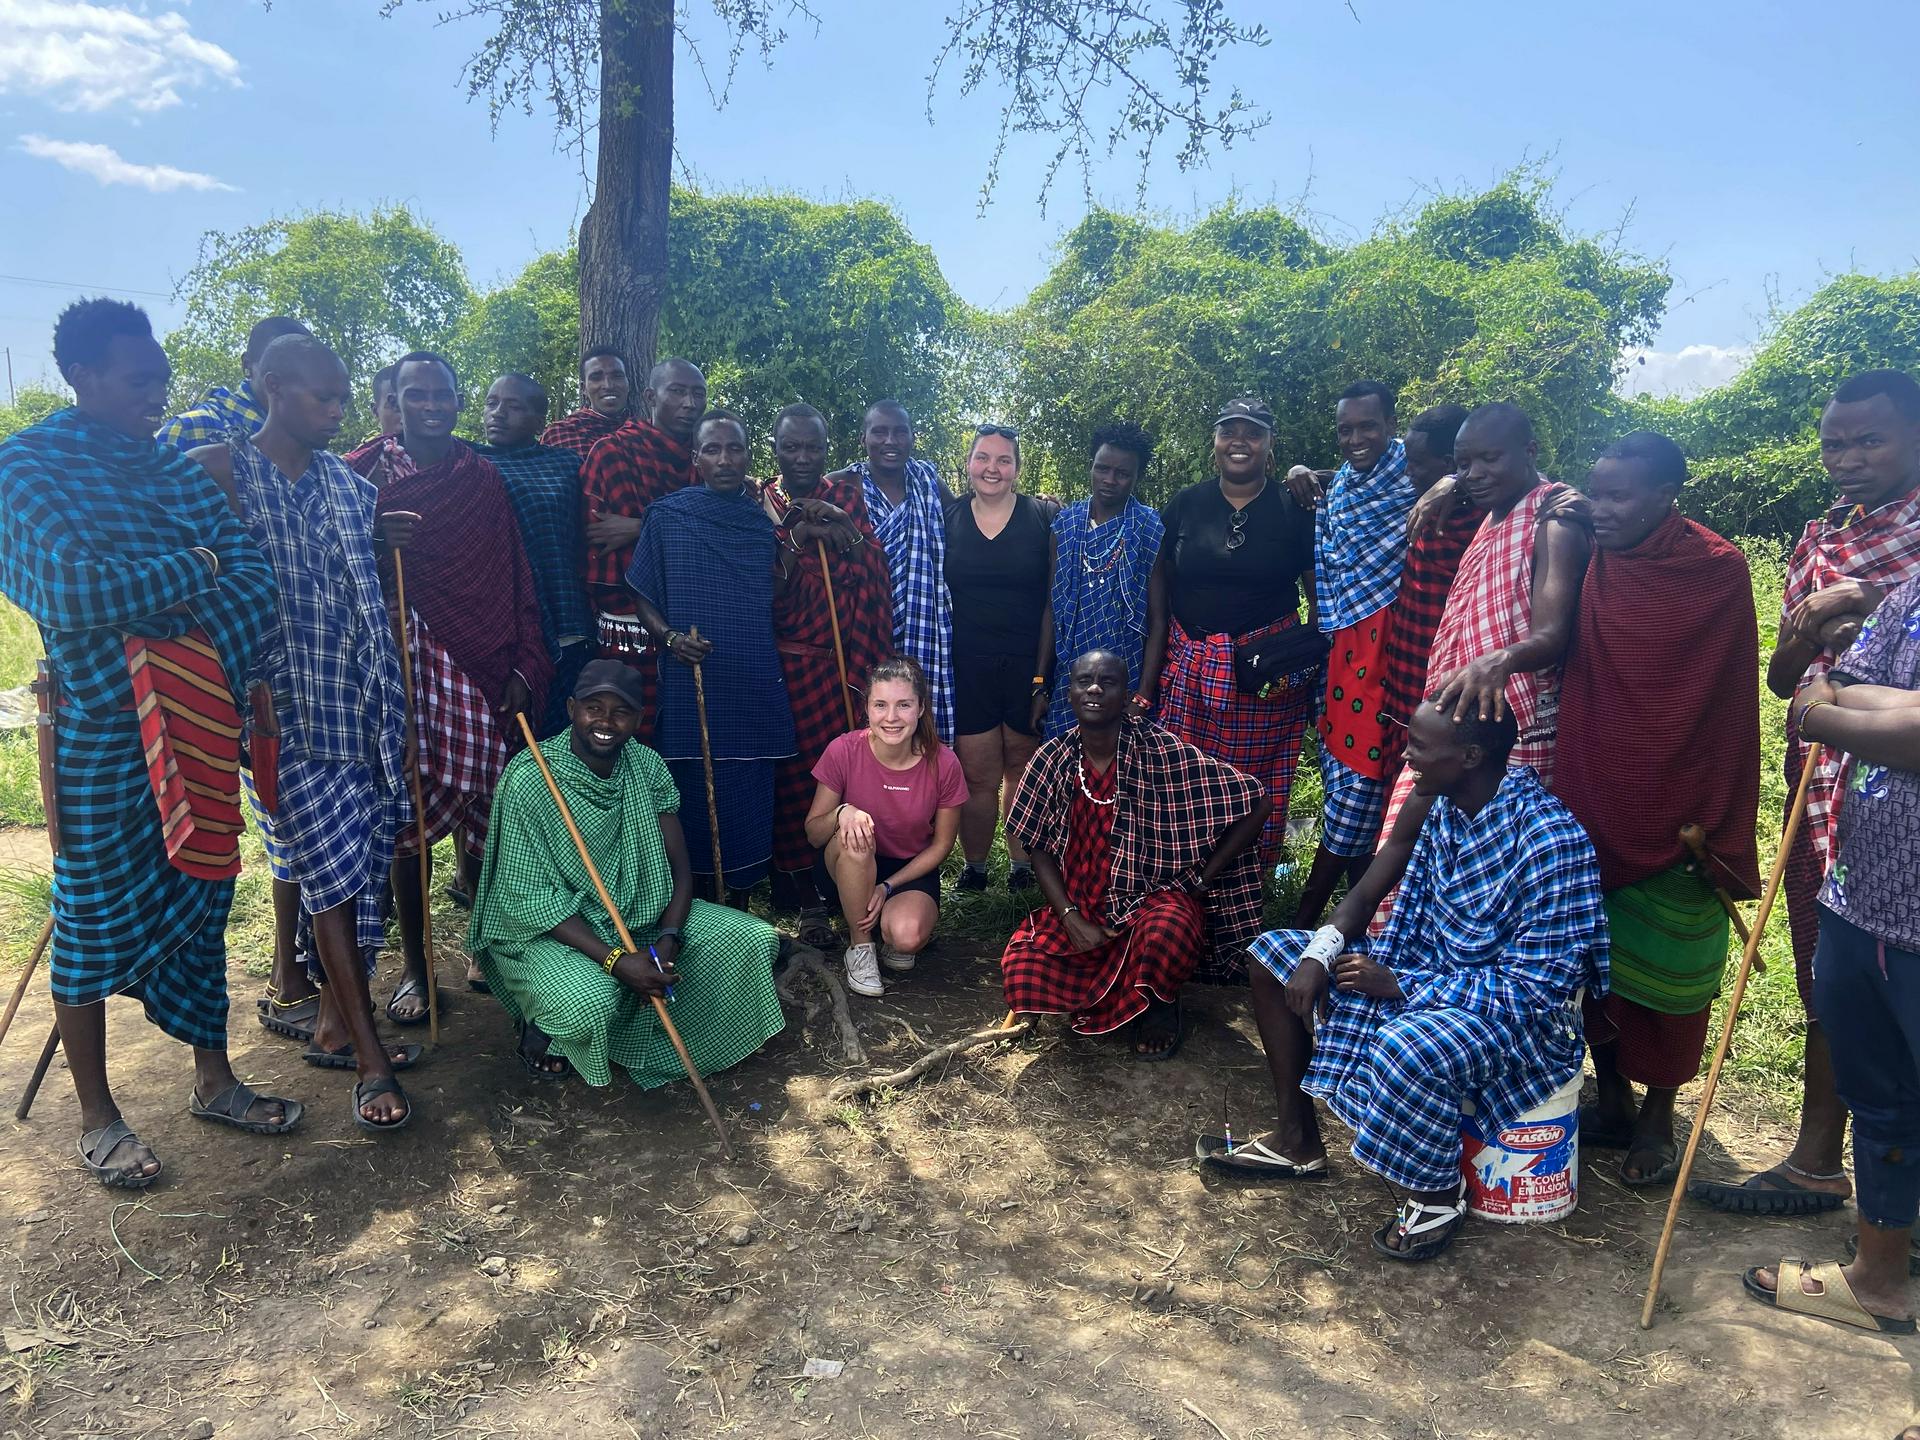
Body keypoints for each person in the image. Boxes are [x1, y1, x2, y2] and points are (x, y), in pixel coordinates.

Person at [0, 298, 297, 1187]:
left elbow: (255, 583)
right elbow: (68, 593)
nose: (158, 395)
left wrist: (161, 622)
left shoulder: (174, 472)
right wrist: (192, 570)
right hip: (98, 735)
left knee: (204, 897)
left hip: (198, 729)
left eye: (162, 379)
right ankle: (98, 1117)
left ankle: (214, 1080)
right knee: (91, 917)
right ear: (82, 376)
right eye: (140, 380)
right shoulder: (27, 469)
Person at [1206, 702, 1607, 1264]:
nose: (1407, 755)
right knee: (1275, 959)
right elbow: (1370, 890)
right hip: (1422, 969)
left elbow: (1535, 992)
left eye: (1420, 745)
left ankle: (1438, 1196)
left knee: (1406, 1048)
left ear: (1470, 756)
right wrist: (1321, 953)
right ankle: (1297, 1141)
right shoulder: (1439, 802)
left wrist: (1403, 987)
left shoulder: (1549, 840)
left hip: (1516, 1021)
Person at [1695, 368, 1920, 1219]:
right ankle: (1817, 1160)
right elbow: (1784, 677)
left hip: (1907, 788)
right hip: (1823, 779)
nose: (1848, 458)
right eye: (1834, 444)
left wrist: (1874, 603)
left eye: (1870, 440)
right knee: (1835, 968)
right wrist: (1807, 632)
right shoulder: (1822, 537)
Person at [187, 335, 418, 1130]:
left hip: (364, 711)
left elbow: (364, 603)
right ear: (272, 386)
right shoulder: (218, 472)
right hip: (281, 718)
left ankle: (332, 1023)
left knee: (362, 874)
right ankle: (370, 1059)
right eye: (325, 397)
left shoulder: (353, 489)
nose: (338, 411)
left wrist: (396, 712)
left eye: (344, 398)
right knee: (329, 882)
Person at [1552, 432, 1760, 1186]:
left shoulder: (1716, 568)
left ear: (1668, 495)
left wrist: (1722, 818)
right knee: (1591, 961)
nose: (1602, 508)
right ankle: (1610, 1097)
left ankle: (1658, 1114)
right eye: (1596, 491)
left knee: (1674, 972)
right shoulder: (1591, 550)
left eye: (1620, 496)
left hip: (1684, 804)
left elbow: (1729, 699)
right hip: (1596, 787)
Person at [468, 660, 787, 1087]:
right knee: (590, 1003)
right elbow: (530, 901)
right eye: (593, 708)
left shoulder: (646, 765)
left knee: (754, 940)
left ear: (638, 720)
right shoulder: (531, 777)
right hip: (549, 932)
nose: (605, 721)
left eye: (620, 712)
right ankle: (543, 1026)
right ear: (572, 709)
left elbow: (680, 869)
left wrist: (669, 938)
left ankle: (663, 1036)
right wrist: (617, 961)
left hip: (639, 915)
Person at [350, 351, 552, 1022]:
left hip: (477, 666)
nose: (431, 404)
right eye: (417, 393)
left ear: (458, 401)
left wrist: (521, 664)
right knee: (406, 823)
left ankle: (487, 948)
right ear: (397, 400)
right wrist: (374, 536)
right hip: (397, 667)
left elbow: (512, 571)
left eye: (443, 393)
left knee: (491, 816)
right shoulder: (362, 474)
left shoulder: (479, 476)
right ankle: (416, 970)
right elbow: (328, 561)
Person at [1743, 573, 1920, 1336]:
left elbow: (1826, 707)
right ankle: (1878, 1281)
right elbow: (1835, 681)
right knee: (1879, 1098)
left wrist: (1828, 714)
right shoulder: (1910, 589)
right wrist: (1860, 704)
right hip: (1862, 894)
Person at [1001, 649, 1271, 1056]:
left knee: (1170, 930)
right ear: (1069, 694)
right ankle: (1119, 991)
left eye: (1107, 682)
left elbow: (1257, 800)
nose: (1094, 689)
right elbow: (1036, 844)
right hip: (1082, 909)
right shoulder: (1052, 758)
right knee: (1022, 965)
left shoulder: (1160, 750)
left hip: (1150, 906)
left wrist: (1202, 880)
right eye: (1084, 682)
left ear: (1126, 695)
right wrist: (1070, 917)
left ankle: (1159, 1003)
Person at [1375, 402, 1591, 849]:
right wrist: (1451, 482)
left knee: (1495, 852)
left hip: (1512, 725)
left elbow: (1552, 635)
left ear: (1529, 451)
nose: (1474, 474)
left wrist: (1499, 661)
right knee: (1429, 846)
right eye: (1463, 464)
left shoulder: (1553, 519)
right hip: (1457, 715)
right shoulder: (1490, 516)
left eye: (1490, 459)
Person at [1138, 396, 1317, 868]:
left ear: (1269, 444)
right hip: (1191, 667)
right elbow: (1160, 588)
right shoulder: (1186, 503)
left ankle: (1244, 881)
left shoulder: (1293, 505)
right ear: (1215, 441)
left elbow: (1319, 598)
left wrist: (1308, 663)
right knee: (1180, 780)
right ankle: (1181, 878)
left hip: (1266, 679)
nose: (1240, 442)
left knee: (1255, 784)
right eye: (1229, 432)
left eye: (1253, 433)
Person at [626, 411, 794, 895]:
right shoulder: (667, 516)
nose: (725, 459)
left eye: (734, 449)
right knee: (689, 793)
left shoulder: (761, 523)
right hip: (690, 678)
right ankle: (691, 905)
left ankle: (739, 910)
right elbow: (642, 593)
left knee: (748, 792)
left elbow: (774, 593)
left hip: (751, 678)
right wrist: (670, 638)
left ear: (748, 456)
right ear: (695, 457)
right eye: (713, 450)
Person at [758, 403, 893, 936]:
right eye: (791, 447)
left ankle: (843, 880)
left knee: (842, 777)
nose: (802, 457)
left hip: (842, 667)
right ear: (775, 449)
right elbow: (763, 589)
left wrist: (843, 527)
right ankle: (803, 896)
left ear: (826, 448)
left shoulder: (846, 499)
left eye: (812, 447)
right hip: (786, 667)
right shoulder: (761, 504)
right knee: (793, 778)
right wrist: (797, 538)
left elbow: (874, 571)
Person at [1290, 381, 1416, 926]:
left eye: (1368, 426)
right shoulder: (1340, 486)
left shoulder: (1420, 479)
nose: (1356, 438)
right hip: (1342, 649)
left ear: (1391, 426)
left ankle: (1309, 919)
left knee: (1365, 785)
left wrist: (1448, 484)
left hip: (1391, 654)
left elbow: (1475, 476)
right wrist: (1301, 470)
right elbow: (1328, 475)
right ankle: (1360, 923)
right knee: (1351, 781)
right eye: (1346, 429)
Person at [805, 657, 967, 998]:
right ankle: (861, 946)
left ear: (920, 708)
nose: (891, 717)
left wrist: (888, 886)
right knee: (856, 834)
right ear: (867, 708)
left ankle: (887, 926)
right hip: (845, 863)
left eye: (903, 705)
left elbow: (942, 845)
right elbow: (814, 833)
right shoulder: (843, 750)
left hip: (908, 870)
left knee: (906, 938)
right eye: (880, 705)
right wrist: (842, 812)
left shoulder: (944, 762)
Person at [946, 425, 1053, 894]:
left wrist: (1042, 677)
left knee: (1023, 769)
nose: (992, 468)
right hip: (969, 664)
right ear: (969, 463)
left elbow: (1053, 598)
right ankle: (974, 868)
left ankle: (1021, 866)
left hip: (1028, 663)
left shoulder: (1043, 517)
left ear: (1017, 468)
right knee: (978, 772)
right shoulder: (948, 517)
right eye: (983, 458)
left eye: (1004, 460)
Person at [577, 357, 706, 738]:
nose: (689, 404)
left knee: (691, 741)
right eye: (677, 392)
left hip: (696, 624)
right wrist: (682, 531)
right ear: (650, 396)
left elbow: (717, 534)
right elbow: (600, 534)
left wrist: (639, 525)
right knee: (627, 737)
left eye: (698, 394)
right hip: (628, 628)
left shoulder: (709, 460)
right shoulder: (613, 452)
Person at [476, 373, 596, 736]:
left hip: (566, 623)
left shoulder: (567, 466)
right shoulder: (466, 462)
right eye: (492, 403)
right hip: (497, 629)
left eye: (513, 406)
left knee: (560, 737)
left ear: (539, 421)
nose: (498, 413)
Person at [832, 400, 954, 741]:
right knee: (870, 721)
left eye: (900, 432)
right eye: (880, 432)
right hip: (865, 624)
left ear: (912, 437)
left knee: (921, 721)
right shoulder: (843, 485)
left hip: (923, 627)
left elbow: (967, 515)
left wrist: (1036, 507)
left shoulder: (928, 482)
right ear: (863, 438)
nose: (890, 441)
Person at [1040, 421, 1165, 740]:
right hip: (1070, 679)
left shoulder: (1149, 529)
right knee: (1064, 764)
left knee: (1124, 766)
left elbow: (1158, 620)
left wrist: (1142, 696)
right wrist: (1039, 684)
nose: (1110, 480)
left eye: (1122, 473)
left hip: (1126, 681)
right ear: (1091, 466)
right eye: (1102, 468)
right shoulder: (1065, 525)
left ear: (1137, 477)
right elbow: (1052, 608)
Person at [1377, 403, 1478, 788]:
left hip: (1448, 686)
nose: (1408, 472)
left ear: (1448, 462)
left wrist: (1455, 481)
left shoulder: (1486, 518)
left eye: (1416, 464)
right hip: (1404, 680)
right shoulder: (1420, 504)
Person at [155, 315, 311, 452]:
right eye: (280, 365)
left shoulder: (309, 439)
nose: (295, 379)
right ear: (247, 365)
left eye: (307, 369)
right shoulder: (187, 430)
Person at [540, 347, 632, 458]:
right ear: (584, 389)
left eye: (617, 376)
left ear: (628, 383)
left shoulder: (645, 433)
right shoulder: (558, 434)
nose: (608, 386)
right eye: (596, 378)